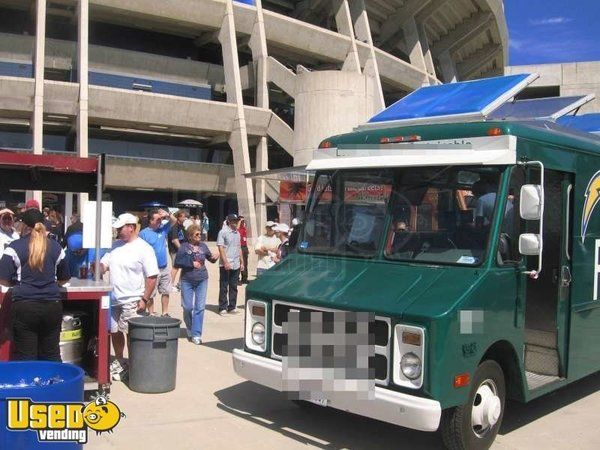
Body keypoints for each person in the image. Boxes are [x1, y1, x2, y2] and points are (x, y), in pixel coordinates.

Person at [0, 209, 70, 361]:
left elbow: (2, 279)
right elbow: (64, 278)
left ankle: (32, 384)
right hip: (52, 305)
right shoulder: (56, 247)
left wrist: (15, 282)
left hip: (25, 305)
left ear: (24, 225)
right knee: (51, 354)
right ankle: (53, 384)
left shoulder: (14, 247)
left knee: (26, 356)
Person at [97, 213, 158, 381]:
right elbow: (104, 266)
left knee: (131, 334)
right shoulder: (115, 246)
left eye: (120, 228)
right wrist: (97, 265)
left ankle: (134, 365)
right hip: (114, 299)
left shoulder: (144, 248)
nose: (118, 231)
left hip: (133, 299)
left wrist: (144, 299)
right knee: (115, 332)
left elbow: (152, 276)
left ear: (131, 227)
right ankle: (120, 360)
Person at [174, 224, 218, 344]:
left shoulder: (203, 246)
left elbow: (210, 259)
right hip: (187, 280)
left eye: (200, 234)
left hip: (202, 279)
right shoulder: (183, 247)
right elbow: (177, 263)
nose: (200, 236)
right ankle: (189, 326)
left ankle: (196, 334)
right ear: (190, 236)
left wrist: (215, 257)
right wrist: (190, 264)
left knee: (200, 307)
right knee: (187, 307)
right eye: (197, 234)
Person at [139, 208, 177, 317]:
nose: (160, 221)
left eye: (160, 219)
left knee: (166, 291)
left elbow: (173, 221)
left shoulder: (162, 229)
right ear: (151, 221)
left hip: (164, 266)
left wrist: (167, 214)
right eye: (157, 219)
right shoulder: (143, 234)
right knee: (151, 292)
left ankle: (165, 312)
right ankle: (151, 312)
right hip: (151, 268)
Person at [217, 214, 244, 315]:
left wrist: (242, 262)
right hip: (226, 264)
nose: (235, 222)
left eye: (236, 221)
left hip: (236, 263)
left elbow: (239, 248)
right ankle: (222, 307)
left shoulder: (237, 233)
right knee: (224, 286)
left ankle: (232, 307)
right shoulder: (223, 232)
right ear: (228, 221)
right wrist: (225, 262)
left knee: (234, 286)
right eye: (233, 221)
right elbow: (221, 248)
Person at [0, 209, 21, 293]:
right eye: (4, 218)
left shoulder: (16, 235)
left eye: (9, 219)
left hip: (14, 271)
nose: (7, 221)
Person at [168, 209, 189, 291]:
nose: (185, 218)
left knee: (184, 267)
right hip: (175, 250)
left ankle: (180, 284)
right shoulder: (174, 227)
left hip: (182, 249)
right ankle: (170, 285)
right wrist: (182, 249)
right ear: (178, 217)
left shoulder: (182, 227)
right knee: (175, 267)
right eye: (183, 217)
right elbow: (174, 240)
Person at [238, 216, 249, 284]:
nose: (243, 222)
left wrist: (247, 248)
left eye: (243, 221)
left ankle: (244, 278)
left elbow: (245, 239)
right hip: (239, 247)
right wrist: (239, 222)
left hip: (244, 247)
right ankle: (236, 279)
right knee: (239, 263)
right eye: (242, 221)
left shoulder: (244, 229)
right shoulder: (237, 229)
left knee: (245, 263)